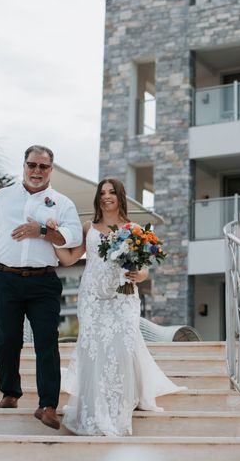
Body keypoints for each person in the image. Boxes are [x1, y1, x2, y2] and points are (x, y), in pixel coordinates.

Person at [0, 145, 82, 430]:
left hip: (44, 282)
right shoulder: (2, 197)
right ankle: (10, 392)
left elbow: (72, 237)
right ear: (24, 166)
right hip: (5, 279)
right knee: (6, 339)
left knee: (46, 342)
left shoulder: (62, 203)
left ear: (51, 169)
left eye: (43, 166)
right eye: (32, 165)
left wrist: (40, 230)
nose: (37, 171)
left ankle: (48, 404)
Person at [53, 178, 185, 436]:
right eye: (102, 193)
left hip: (123, 296)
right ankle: (94, 409)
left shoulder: (134, 228)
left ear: (120, 196)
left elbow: (144, 266)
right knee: (94, 349)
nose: (106, 197)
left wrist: (141, 275)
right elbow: (70, 258)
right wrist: (52, 240)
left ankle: (120, 406)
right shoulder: (88, 227)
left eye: (112, 192)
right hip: (92, 297)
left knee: (122, 347)